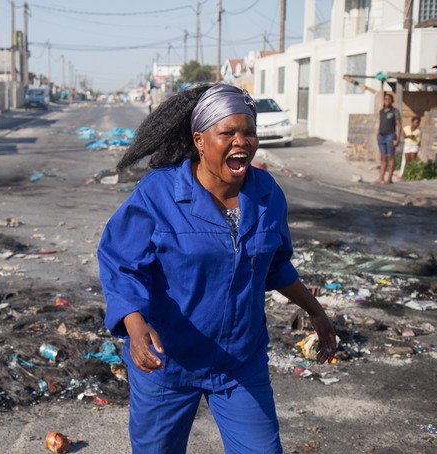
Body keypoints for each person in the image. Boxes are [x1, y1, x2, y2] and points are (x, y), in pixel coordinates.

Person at [98, 83, 337, 454]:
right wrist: (134, 323)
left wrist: (316, 311)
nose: (241, 141)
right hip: (168, 363)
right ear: (200, 139)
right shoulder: (159, 193)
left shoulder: (266, 193)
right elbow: (121, 263)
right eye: (227, 133)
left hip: (240, 362)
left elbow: (274, 266)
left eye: (249, 132)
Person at [375, 93, 401, 184]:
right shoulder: (381, 111)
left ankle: (389, 178)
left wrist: (397, 139)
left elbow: (398, 125)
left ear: (392, 101)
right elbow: (380, 123)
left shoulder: (395, 111)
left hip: (390, 135)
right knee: (383, 157)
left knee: (391, 156)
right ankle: (380, 178)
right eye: (385, 98)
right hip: (381, 136)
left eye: (389, 99)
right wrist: (377, 133)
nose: (387, 100)